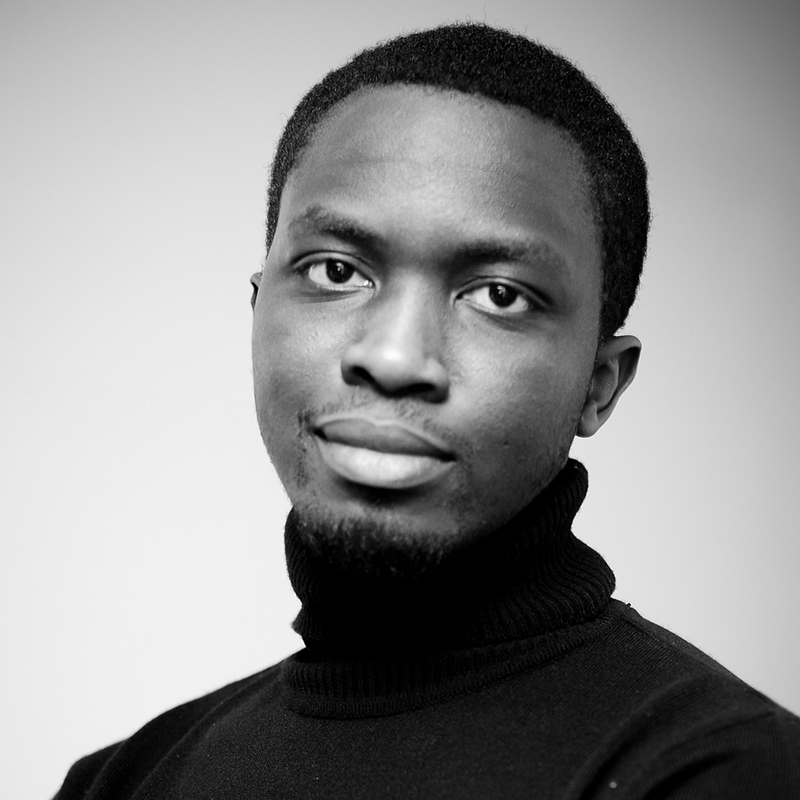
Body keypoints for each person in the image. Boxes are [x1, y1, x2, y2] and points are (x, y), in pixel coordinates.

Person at [55, 22, 800, 799]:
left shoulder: (722, 770)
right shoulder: (121, 780)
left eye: (499, 295)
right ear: (257, 307)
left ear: (599, 383)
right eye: (336, 270)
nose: (394, 356)